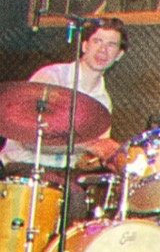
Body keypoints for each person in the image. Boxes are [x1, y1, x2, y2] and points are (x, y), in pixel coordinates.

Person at [0, 17, 127, 212]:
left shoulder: (103, 101)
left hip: (65, 173)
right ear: (84, 46)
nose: (103, 50)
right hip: (24, 165)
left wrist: (112, 157)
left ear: (119, 55)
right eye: (97, 41)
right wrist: (93, 145)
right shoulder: (51, 78)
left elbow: (87, 157)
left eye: (111, 45)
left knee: (98, 204)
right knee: (74, 197)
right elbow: (32, 141)